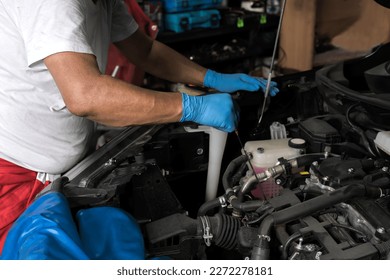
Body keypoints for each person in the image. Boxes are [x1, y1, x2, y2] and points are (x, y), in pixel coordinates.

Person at [0, 0, 278, 256]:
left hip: (59, 171)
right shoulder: (53, 4)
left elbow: (145, 50)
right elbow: (85, 95)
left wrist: (213, 77)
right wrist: (191, 107)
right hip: (15, 179)